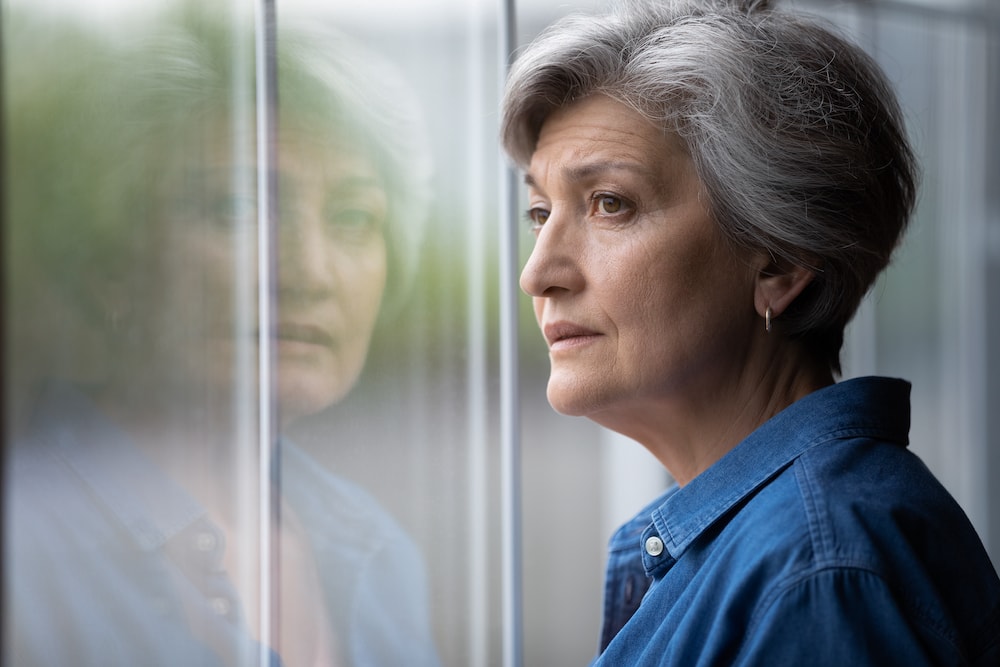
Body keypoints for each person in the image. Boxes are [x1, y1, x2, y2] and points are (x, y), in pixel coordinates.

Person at [501, 0, 1000, 664]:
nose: (538, 273)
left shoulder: (818, 575)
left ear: (781, 261)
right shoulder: (784, 544)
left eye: (609, 204)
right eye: (540, 211)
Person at [5, 5, 439, 666]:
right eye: (236, 205)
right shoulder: (26, 545)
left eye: (353, 216)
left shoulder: (381, 552)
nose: (312, 272)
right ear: (110, 263)